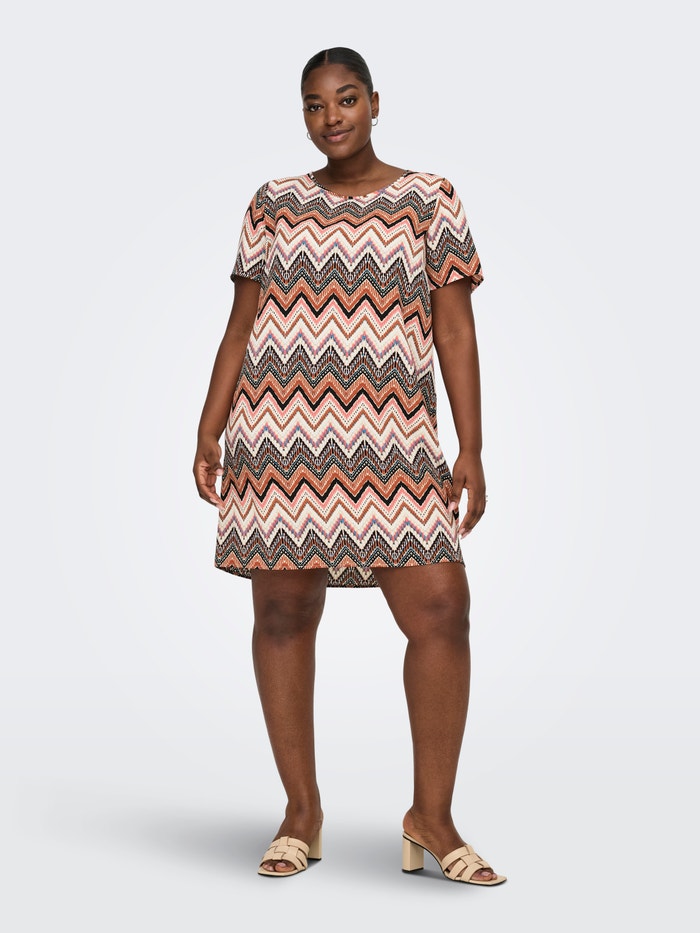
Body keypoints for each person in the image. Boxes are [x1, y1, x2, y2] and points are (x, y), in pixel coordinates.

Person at [193, 47, 506, 886]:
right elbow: (241, 323)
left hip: (393, 441)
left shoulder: (429, 199)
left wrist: (470, 445)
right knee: (284, 613)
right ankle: (301, 812)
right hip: (278, 439)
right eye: (313, 104)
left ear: (374, 102)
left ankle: (431, 817)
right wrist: (210, 426)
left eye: (345, 99)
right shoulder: (274, 202)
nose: (330, 117)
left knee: (441, 610)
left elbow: (455, 328)